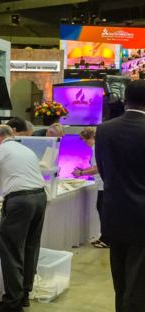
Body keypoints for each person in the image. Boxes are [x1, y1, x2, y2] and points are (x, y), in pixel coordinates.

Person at [95, 80, 145, 312]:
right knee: (139, 284)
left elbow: (103, 170)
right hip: (142, 218)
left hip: (114, 213)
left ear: (125, 100)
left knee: (121, 281)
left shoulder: (104, 129)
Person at [0, 125, 47, 312]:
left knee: (12, 250)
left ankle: (12, 302)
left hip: (20, 201)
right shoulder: (26, 149)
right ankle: (24, 295)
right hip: (40, 197)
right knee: (31, 246)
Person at [72, 127, 108, 248]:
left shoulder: (96, 147)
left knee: (103, 211)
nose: (84, 143)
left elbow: (97, 168)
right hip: (102, 184)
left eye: (84, 140)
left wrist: (81, 173)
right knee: (101, 209)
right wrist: (84, 170)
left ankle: (107, 239)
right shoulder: (100, 146)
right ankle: (104, 236)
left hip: (104, 185)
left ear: (90, 138)